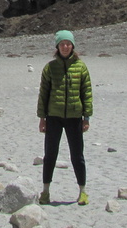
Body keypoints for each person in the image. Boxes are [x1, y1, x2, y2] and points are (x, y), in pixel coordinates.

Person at [36, 29, 92, 205]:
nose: (65, 47)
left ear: (73, 46)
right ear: (57, 46)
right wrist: (42, 118)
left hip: (75, 117)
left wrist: (87, 117)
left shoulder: (81, 67)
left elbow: (87, 93)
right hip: (54, 116)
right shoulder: (50, 68)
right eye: (62, 44)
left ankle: (82, 192)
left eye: (68, 44)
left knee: (77, 155)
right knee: (50, 155)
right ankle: (45, 191)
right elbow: (43, 94)